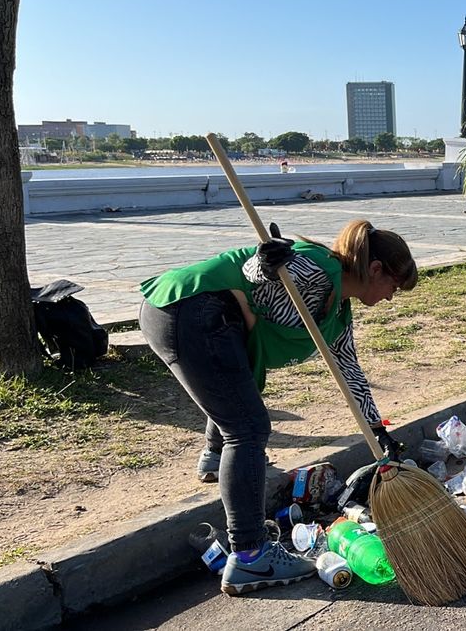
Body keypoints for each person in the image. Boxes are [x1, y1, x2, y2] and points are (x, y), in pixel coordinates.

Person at [138, 219, 416, 594]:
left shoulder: (338, 313)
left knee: (238, 399)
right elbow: (259, 273)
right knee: (249, 429)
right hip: (195, 309)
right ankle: (251, 557)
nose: (390, 297)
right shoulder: (319, 268)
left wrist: (377, 431)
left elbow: (350, 372)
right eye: (393, 287)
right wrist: (266, 261)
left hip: (190, 314)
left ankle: (213, 458)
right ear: (376, 269)